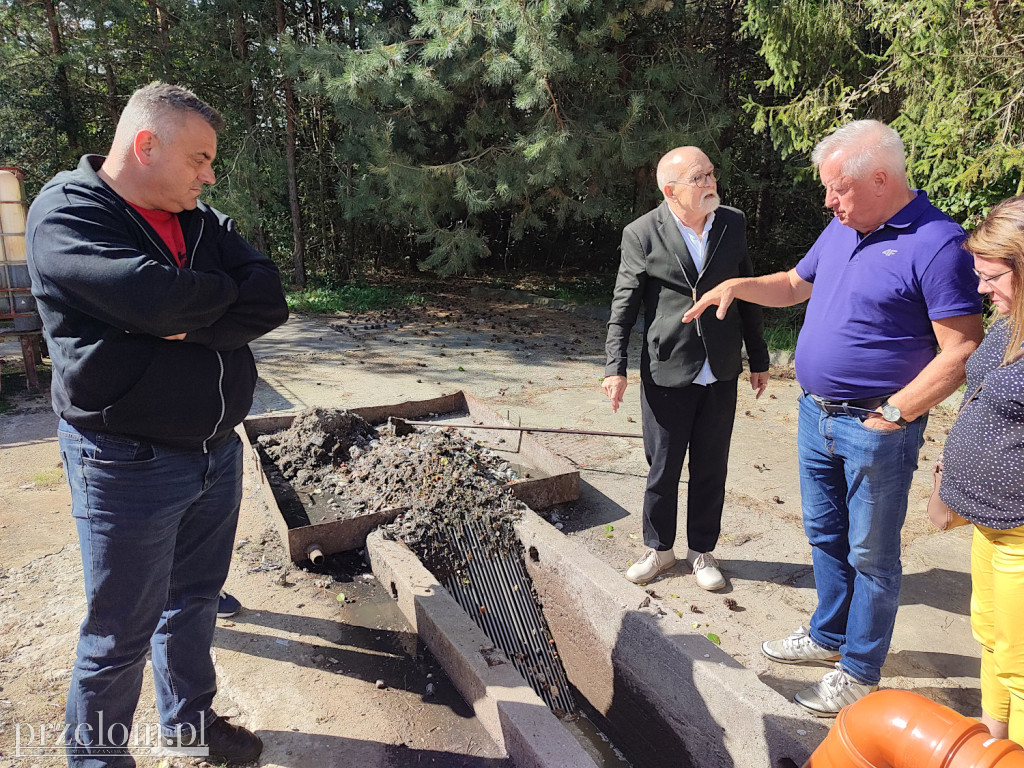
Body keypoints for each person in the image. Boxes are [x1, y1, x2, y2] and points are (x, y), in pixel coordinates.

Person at [26, 82, 289, 765]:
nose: (209, 174)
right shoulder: (68, 212)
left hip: (215, 452)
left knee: (195, 601)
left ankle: (188, 722)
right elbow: (157, 297)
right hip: (125, 461)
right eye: (199, 158)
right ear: (146, 145)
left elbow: (270, 299)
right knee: (119, 632)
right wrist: (200, 306)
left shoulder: (203, 219)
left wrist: (186, 324)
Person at [684, 120, 984, 715]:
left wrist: (897, 412)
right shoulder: (843, 227)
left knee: (873, 554)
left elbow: (963, 347)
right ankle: (827, 637)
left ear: (880, 179)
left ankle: (860, 669)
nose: (828, 201)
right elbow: (795, 285)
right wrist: (739, 286)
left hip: (876, 427)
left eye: (837, 189)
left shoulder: (938, 243)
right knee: (825, 535)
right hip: (815, 416)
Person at [603, 146, 770, 591]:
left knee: (712, 466)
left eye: (711, 174)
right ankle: (659, 550)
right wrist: (613, 367)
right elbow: (625, 306)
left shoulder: (731, 222)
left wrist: (759, 356)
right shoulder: (642, 233)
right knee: (663, 467)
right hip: (667, 369)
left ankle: (702, 551)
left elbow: (748, 290)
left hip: (720, 368)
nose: (711, 183)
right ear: (670, 190)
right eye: (700, 179)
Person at [939, 195, 1024, 744]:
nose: (981, 288)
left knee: (1023, 664)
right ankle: (991, 742)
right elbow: (979, 399)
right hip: (986, 522)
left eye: (992, 276)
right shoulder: (1008, 321)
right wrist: (948, 481)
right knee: (991, 637)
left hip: (1020, 530)